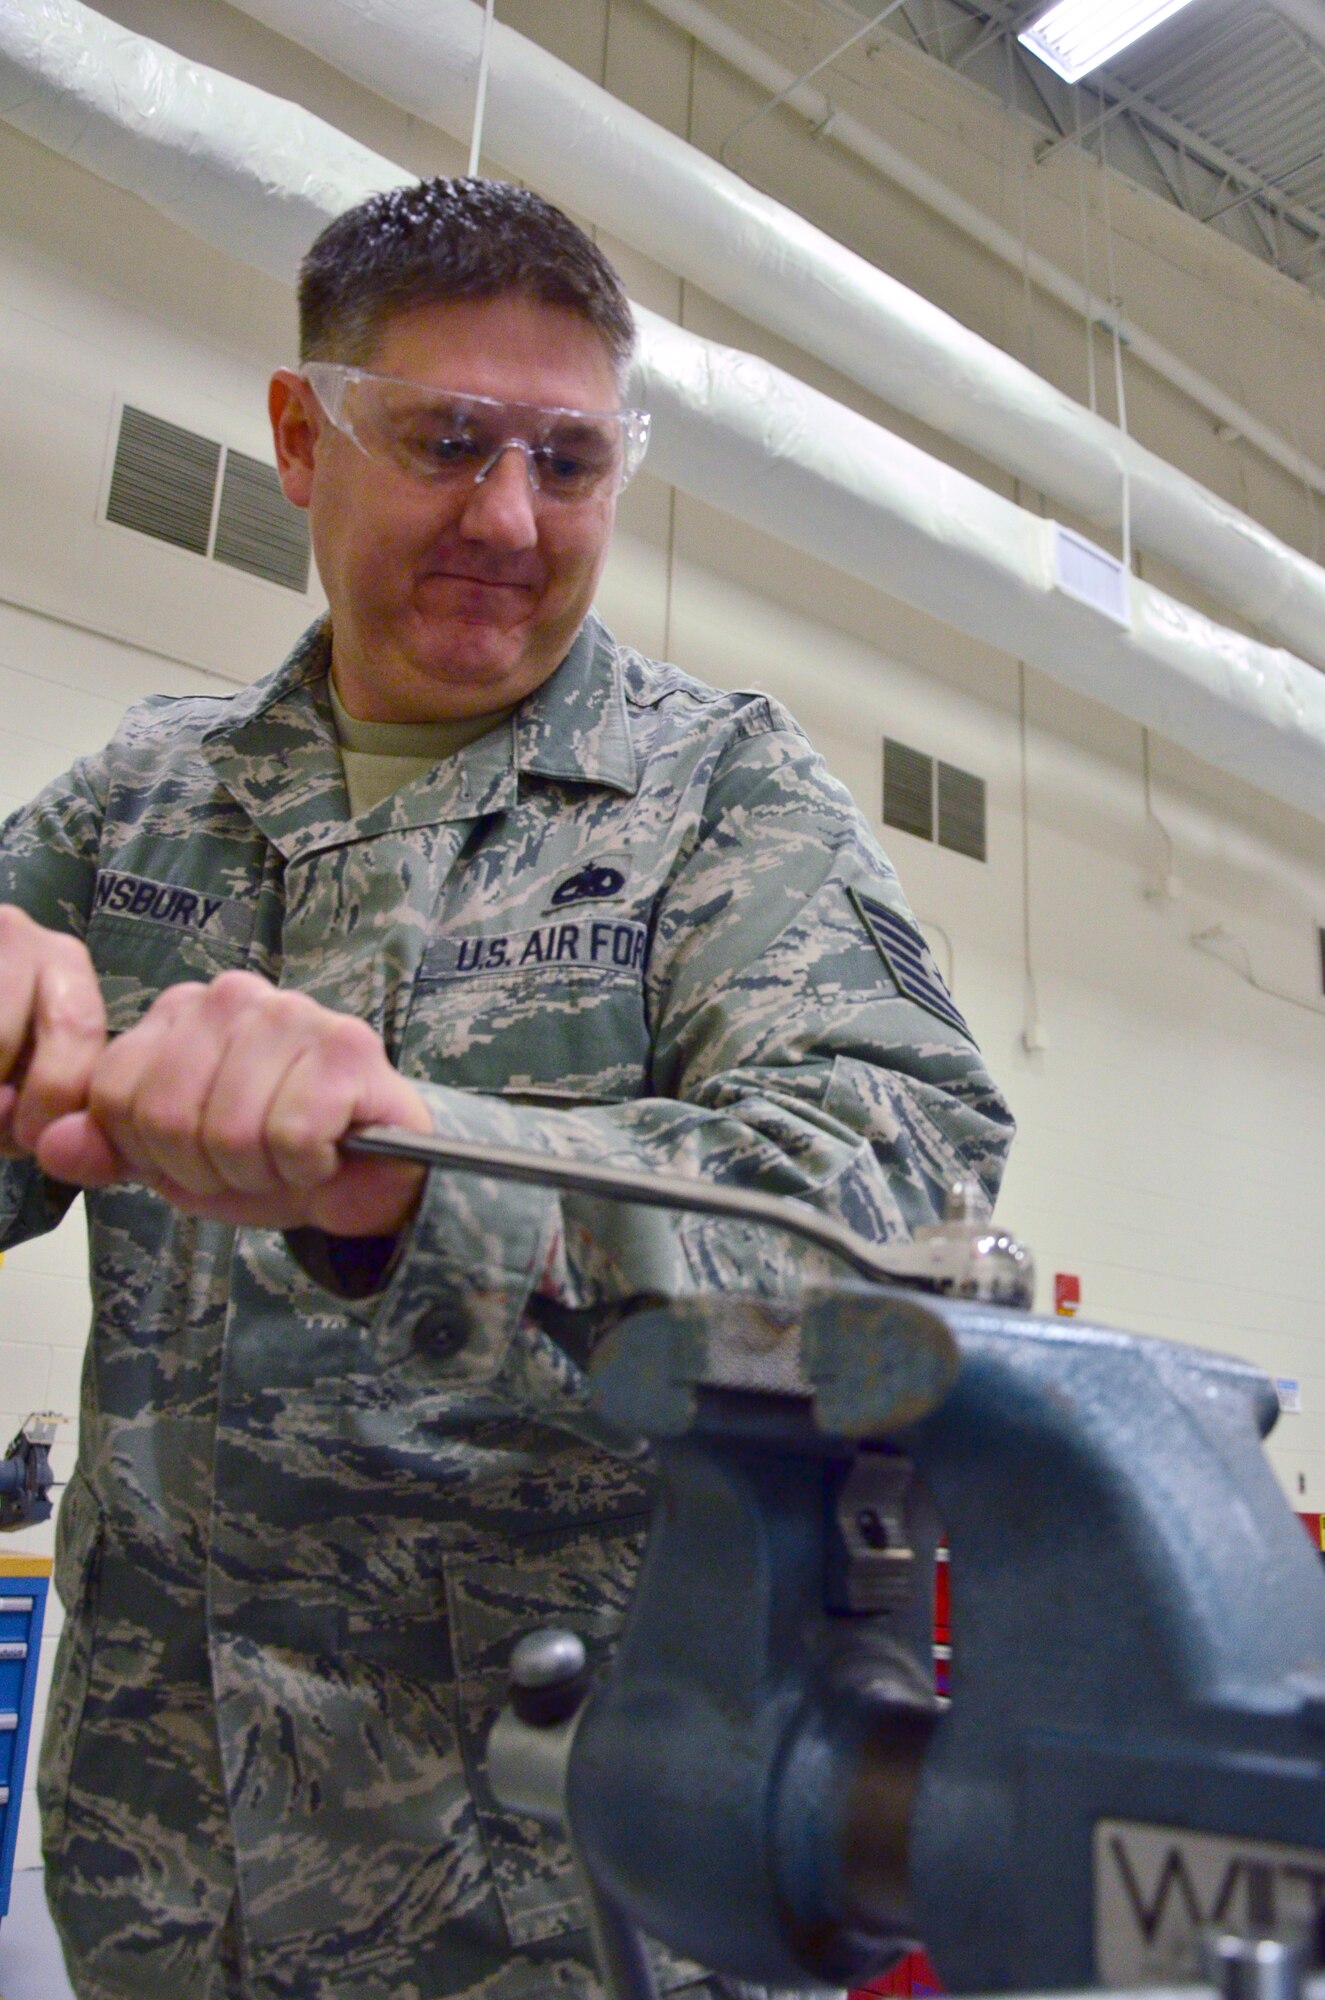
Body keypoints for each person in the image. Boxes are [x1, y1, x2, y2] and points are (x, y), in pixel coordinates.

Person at [0, 178, 1013, 2000]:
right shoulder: (140, 800)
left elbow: (898, 1183)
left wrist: (429, 1168)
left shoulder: (717, 793)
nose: (509, 518)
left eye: (570, 460)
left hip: (560, 1882)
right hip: (167, 1850)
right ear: (304, 438)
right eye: (448, 440)